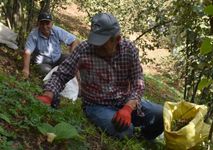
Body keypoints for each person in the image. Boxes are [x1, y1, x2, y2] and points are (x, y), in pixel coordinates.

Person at [37, 12, 163, 140]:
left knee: (161, 114)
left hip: (124, 101)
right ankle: (128, 131)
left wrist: (128, 107)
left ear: (117, 39)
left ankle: (143, 137)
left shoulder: (129, 50)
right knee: (125, 130)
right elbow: (62, 74)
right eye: (94, 41)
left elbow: (138, 81)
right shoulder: (84, 49)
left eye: (102, 44)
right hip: (97, 105)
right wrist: (48, 95)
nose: (96, 47)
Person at [22, 12, 80, 78]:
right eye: (42, 24)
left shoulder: (57, 30)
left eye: (47, 23)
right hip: (43, 63)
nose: (45, 26)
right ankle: (58, 76)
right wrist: (26, 69)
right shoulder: (34, 34)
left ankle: (69, 77)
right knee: (45, 71)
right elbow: (27, 52)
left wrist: (72, 54)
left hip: (58, 58)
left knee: (70, 60)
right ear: (38, 24)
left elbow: (75, 40)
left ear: (52, 24)